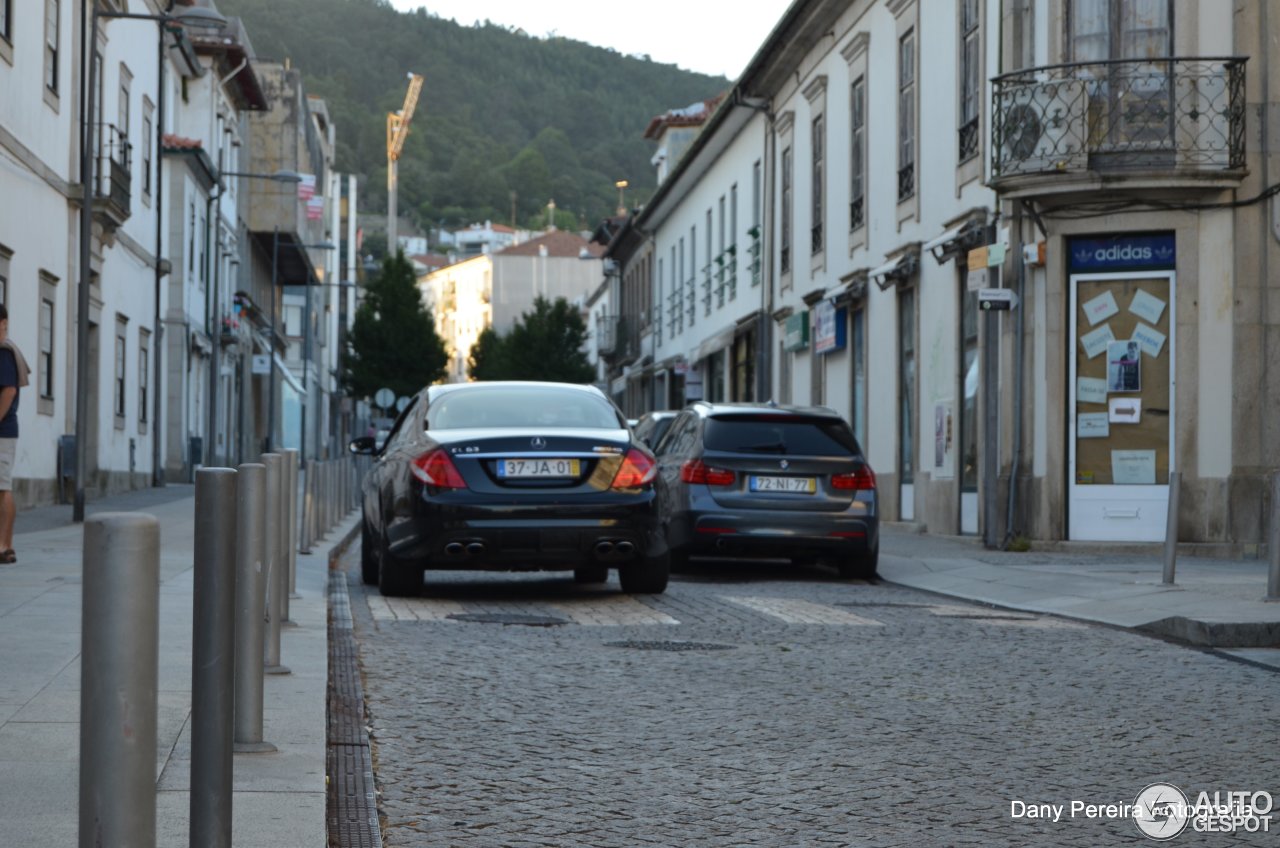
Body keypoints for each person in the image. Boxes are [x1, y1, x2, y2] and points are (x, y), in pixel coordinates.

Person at [0, 304, 30, 564]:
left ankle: (5, 546)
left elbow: (8, 391)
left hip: (3, 432)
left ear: (3, 323)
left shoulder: (4, 353)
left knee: (2, 487)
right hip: (5, 431)